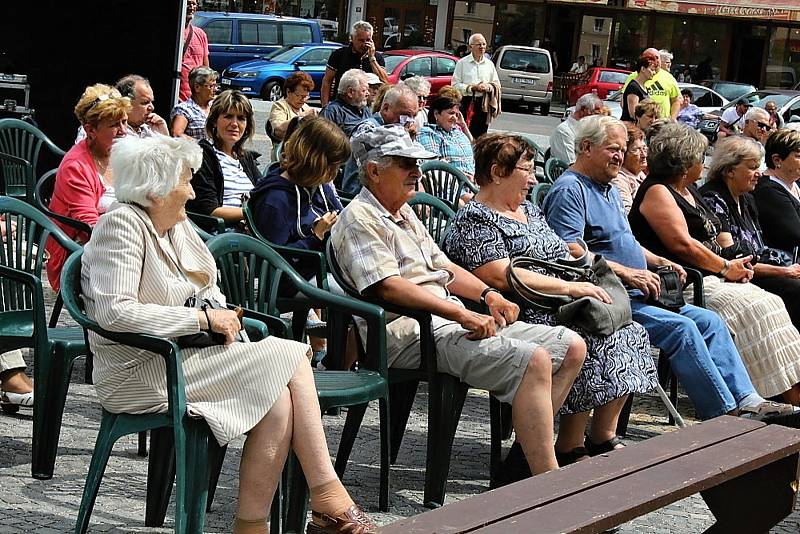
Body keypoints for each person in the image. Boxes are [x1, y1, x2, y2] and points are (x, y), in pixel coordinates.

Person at [82, 134, 376, 534]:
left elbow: (209, 289)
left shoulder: (176, 224)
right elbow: (115, 313)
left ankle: (251, 526)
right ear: (156, 189)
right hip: (140, 368)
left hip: (185, 357)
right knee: (290, 353)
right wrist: (202, 321)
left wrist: (218, 315)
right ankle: (326, 491)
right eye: (185, 179)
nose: (191, 190)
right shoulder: (120, 225)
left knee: (279, 401)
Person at [332, 124, 587, 478]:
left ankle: (522, 462)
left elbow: (444, 267)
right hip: (405, 332)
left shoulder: (403, 212)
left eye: (416, 165)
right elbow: (388, 287)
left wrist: (489, 295)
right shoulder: (359, 217)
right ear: (374, 171)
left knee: (572, 346)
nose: (416, 173)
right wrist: (461, 312)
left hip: (441, 322)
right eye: (406, 164)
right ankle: (547, 481)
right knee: (535, 359)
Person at [543, 115, 800, 422]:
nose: (621, 156)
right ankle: (724, 414)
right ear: (585, 147)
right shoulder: (571, 189)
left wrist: (658, 261)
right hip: (608, 297)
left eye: (623, 149)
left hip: (643, 289)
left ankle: (748, 400)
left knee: (709, 321)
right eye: (613, 149)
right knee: (684, 329)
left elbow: (627, 243)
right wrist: (627, 272)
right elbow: (569, 249)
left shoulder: (607, 188)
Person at [443, 133, 656, 466]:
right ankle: (562, 445)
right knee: (592, 336)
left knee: (628, 330)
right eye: (526, 171)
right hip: (523, 308)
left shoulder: (528, 209)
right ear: (498, 172)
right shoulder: (475, 219)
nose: (533, 179)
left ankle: (600, 435)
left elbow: (557, 249)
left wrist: (578, 260)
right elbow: (501, 275)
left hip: (556, 301)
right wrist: (571, 288)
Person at [627, 121, 800, 404]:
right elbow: (682, 245)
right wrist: (724, 267)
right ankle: (775, 393)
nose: (705, 164)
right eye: (700, 158)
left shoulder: (689, 190)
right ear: (684, 162)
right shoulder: (658, 191)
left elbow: (719, 236)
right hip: (687, 280)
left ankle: (789, 387)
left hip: (714, 273)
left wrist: (735, 264)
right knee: (752, 308)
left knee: (771, 303)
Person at [700, 135, 800, 333]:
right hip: (736, 276)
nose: (759, 174)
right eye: (752, 168)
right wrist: (784, 271)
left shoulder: (746, 199)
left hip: (762, 267)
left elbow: (760, 246)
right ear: (729, 170)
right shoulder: (714, 199)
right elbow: (732, 257)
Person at [46, 84, 131, 292]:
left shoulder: (123, 153)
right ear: (90, 130)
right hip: (80, 253)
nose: (123, 131)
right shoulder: (76, 167)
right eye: (114, 125)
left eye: (125, 121)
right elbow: (89, 227)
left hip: (121, 241)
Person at [249, 117, 347, 290]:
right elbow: (274, 260)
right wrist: (316, 235)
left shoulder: (318, 185)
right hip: (287, 280)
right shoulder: (275, 200)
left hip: (321, 266)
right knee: (356, 294)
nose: (335, 172)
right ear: (314, 160)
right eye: (332, 165)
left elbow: (343, 215)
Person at [187, 90, 260, 228]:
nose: (234, 123)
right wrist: (249, 213)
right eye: (228, 116)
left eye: (241, 118)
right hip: (222, 235)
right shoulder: (204, 155)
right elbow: (209, 210)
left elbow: (264, 194)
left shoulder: (245, 158)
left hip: (251, 230)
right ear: (214, 121)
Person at [340, 83, 419, 194]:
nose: (409, 121)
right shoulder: (368, 128)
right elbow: (382, 170)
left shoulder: (404, 129)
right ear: (386, 108)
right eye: (405, 115)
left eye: (413, 116)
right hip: (362, 196)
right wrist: (403, 136)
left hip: (390, 193)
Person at [75, 75, 167, 143]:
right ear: (126, 103)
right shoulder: (96, 127)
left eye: (151, 102)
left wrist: (164, 136)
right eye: (145, 103)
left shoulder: (152, 129)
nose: (152, 107)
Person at [752, 129, 800, 255]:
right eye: (799, 156)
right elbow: (796, 235)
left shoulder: (794, 182)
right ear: (777, 160)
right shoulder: (768, 190)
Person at [320, 21, 387, 106]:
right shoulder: (339, 55)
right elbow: (327, 81)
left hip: (367, 106)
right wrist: (325, 106)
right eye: (361, 40)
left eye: (368, 40)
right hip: (342, 105)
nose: (365, 44)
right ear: (352, 38)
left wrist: (372, 59)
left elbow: (385, 81)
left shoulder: (378, 58)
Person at [452, 33, 501, 138]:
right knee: (463, 131)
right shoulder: (462, 63)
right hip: (466, 102)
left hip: (484, 103)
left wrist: (488, 87)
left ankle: (478, 153)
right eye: (479, 44)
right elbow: (455, 85)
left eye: (484, 44)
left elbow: (497, 84)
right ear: (471, 47)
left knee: (482, 134)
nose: (482, 47)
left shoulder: (489, 64)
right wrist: (471, 88)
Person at [417, 95, 475, 178]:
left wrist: (463, 125)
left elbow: (474, 150)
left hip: (472, 185)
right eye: (451, 113)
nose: (454, 118)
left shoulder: (458, 133)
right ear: (436, 114)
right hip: (451, 186)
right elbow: (432, 167)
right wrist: (462, 177)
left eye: (456, 115)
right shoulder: (428, 133)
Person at [621, 48, 679, 119]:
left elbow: (676, 100)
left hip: (659, 124)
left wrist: (672, 119)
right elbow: (632, 113)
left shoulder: (669, 77)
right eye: (651, 70)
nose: (653, 73)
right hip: (637, 126)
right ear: (643, 69)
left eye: (657, 57)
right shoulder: (633, 83)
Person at [549, 93, 602, 164]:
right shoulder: (564, 132)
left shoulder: (589, 130)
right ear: (583, 110)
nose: (597, 119)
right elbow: (570, 164)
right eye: (595, 114)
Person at [266, 72, 317, 143]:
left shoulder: (305, 107)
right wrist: (302, 116)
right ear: (288, 92)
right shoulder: (280, 106)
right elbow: (278, 130)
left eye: (306, 96)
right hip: (284, 150)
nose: (303, 100)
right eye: (299, 96)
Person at [319, 69, 371, 138]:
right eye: (364, 90)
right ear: (350, 92)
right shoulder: (332, 112)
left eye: (368, 90)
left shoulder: (364, 109)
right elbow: (322, 139)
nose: (368, 93)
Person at [170, 66, 217, 141]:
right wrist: (201, 145)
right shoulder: (184, 109)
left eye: (215, 86)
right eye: (211, 86)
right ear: (197, 87)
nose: (215, 89)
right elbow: (176, 134)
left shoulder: (215, 106)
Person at [611, 123, 647, 214]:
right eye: (636, 150)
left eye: (644, 148)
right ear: (623, 153)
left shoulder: (639, 174)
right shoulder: (619, 180)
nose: (644, 155)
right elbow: (628, 213)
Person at [180, 0, 209, 102]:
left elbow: (206, 70)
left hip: (195, 99)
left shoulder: (200, 34)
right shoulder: (175, 33)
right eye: (188, 4)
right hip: (175, 97)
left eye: (193, 4)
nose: (191, 7)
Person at [620, 57, 654, 123]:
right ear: (643, 69)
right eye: (652, 70)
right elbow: (633, 114)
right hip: (631, 127)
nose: (654, 72)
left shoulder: (645, 87)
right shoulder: (633, 87)